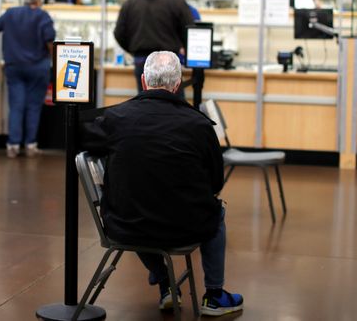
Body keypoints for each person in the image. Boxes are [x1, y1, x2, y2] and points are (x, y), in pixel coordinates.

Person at [83, 51, 244, 316]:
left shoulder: (114, 119)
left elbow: (86, 144)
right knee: (217, 212)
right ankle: (214, 295)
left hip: (125, 225)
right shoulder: (199, 124)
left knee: (138, 209)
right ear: (178, 84)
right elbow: (216, 182)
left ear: (144, 81)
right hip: (186, 227)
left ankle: (165, 283)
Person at [0, 0, 55, 158]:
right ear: (39, 0)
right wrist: (53, 57)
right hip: (38, 67)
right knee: (34, 106)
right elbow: (50, 41)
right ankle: (30, 145)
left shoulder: (10, 13)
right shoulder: (43, 16)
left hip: (14, 66)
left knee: (16, 105)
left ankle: (13, 145)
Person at [114, 0, 194, 92]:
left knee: (144, 103)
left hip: (142, 60)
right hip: (169, 62)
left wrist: (134, 50)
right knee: (173, 104)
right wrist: (182, 48)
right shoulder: (176, 3)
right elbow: (190, 32)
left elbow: (119, 32)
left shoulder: (130, 3)